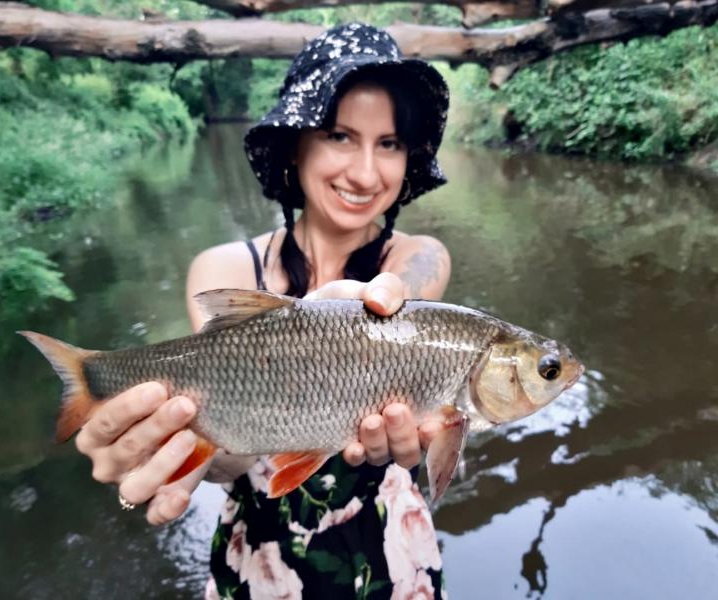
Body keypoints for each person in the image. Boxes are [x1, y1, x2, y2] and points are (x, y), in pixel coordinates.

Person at [73, 22, 452, 599]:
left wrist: (367, 305)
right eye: (340, 135)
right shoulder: (222, 268)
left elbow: (411, 288)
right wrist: (178, 458)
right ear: (295, 143)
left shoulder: (417, 256)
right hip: (261, 556)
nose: (365, 173)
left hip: (390, 548)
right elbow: (230, 449)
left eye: (390, 144)